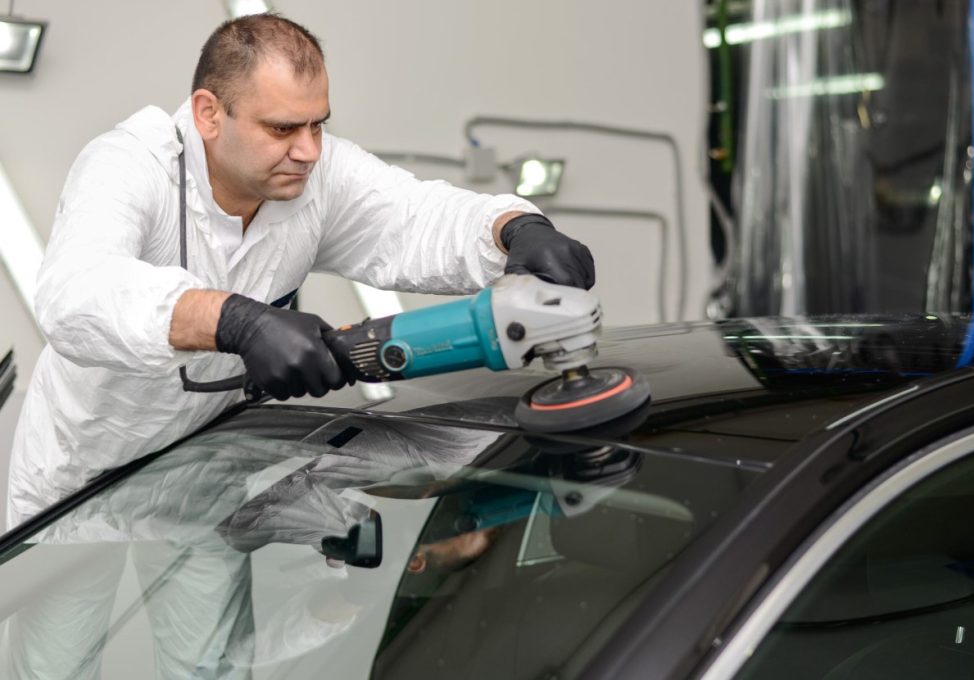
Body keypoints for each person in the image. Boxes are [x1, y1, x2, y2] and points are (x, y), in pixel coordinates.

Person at [7, 13, 595, 530]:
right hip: (79, 474)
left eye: (318, 124)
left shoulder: (318, 171)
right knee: (54, 656)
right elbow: (74, 294)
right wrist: (235, 321)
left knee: (209, 660)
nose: (309, 149)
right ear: (209, 114)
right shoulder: (130, 163)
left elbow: (414, 215)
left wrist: (514, 228)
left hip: (201, 466)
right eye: (283, 128)